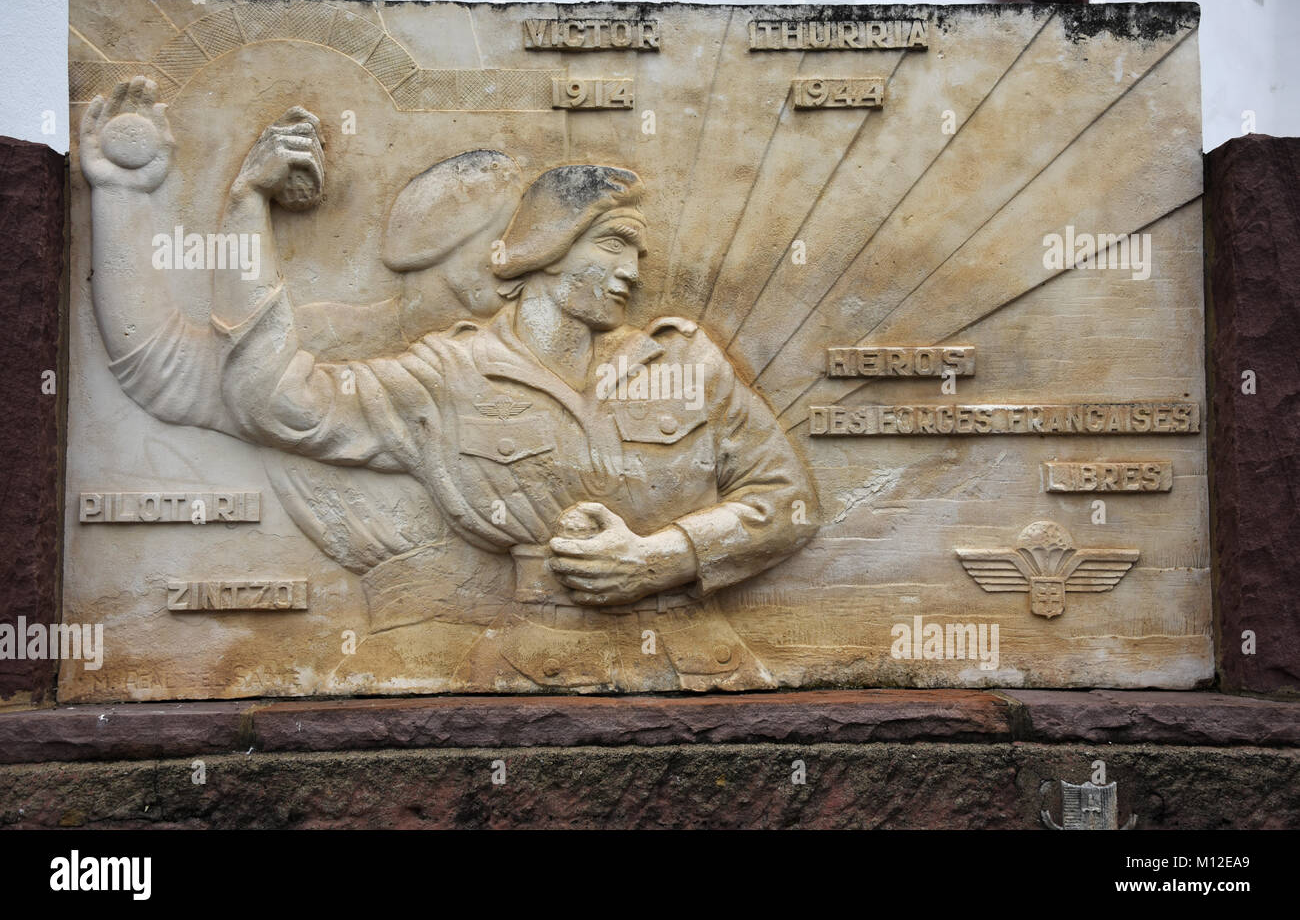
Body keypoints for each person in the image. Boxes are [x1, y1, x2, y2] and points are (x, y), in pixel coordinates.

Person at [82, 79, 821, 691]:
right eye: (613, 245)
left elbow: (787, 500)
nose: (632, 270)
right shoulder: (443, 376)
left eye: (637, 249)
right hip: (536, 679)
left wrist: (663, 557)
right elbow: (273, 401)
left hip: (713, 675)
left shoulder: (683, 360)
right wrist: (245, 207)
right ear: (544, 253)